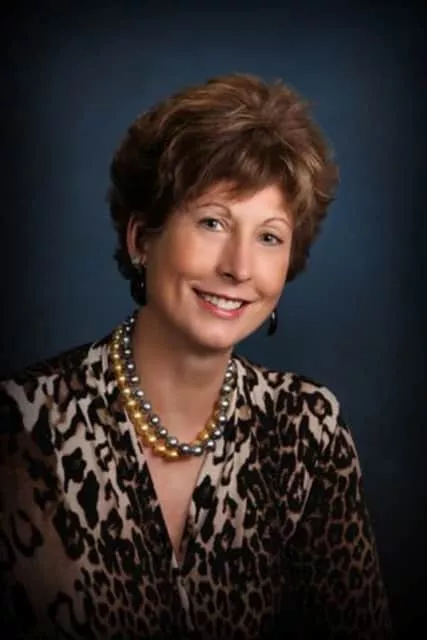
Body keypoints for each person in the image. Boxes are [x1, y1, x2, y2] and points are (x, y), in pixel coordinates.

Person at [0, 73, 392, 640]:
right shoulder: (23, 428)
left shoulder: (307, 428)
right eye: (213, 222)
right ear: (141, 239)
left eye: (269, 237)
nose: (238, 267)